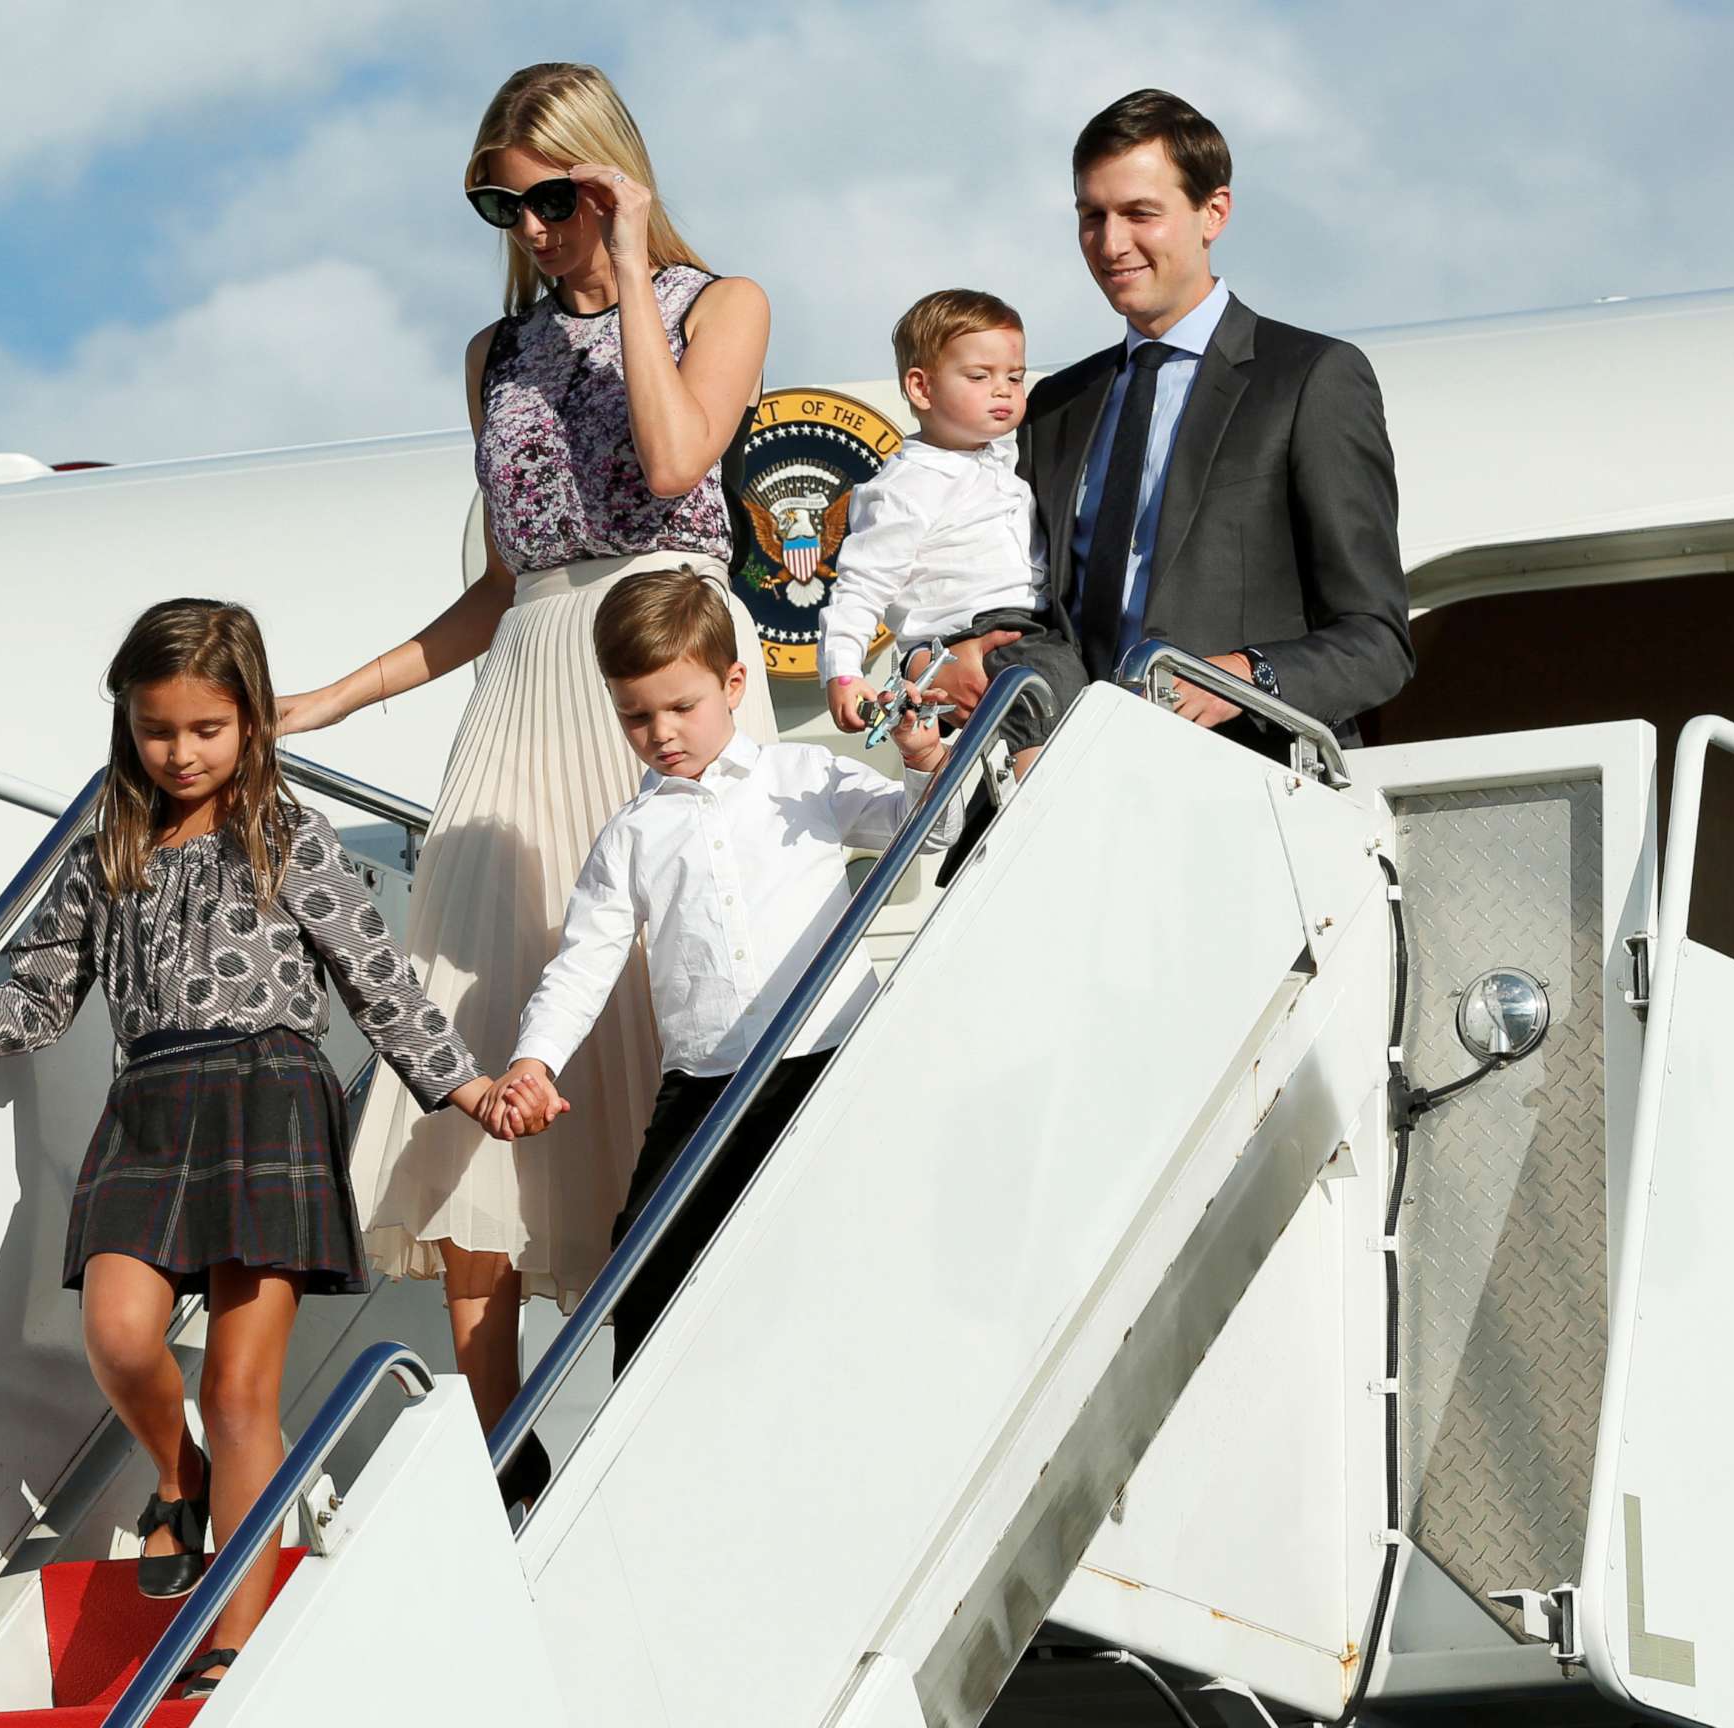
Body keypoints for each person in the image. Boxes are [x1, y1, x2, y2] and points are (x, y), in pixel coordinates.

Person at [278, 62, 776, 1504]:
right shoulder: (492, 357)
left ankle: (691, 1386)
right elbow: (501, 588)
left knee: (676, 1011)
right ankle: (501, 1448)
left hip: (667, 648)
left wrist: (626, 267)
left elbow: (683, 456)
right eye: (504, 202)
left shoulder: (717, 303)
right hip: (531, 679)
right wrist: (333, 694)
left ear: (611, 179)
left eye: (555, 197)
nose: (531, 228)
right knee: (482, 1029)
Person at [0, 599, 494, 1699]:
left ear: (250, 719)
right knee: (116, 1333)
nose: (182, 753)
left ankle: (233, 1640)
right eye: (159, 731)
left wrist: (463, 1080)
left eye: (207, 729)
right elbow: (44, 999)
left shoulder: (291, 836)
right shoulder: (110, 841)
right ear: (127, 727)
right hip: (150, 1102)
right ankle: (176, 1474)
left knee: (247, 1390)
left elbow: (376, 978)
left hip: (269, 1098)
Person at [485, 567, 958, 1372]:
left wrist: (922, 760)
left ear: (734, 684)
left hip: (827, 1057)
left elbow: (925, 831)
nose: (661, 731)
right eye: (635, 716)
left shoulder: (802, 778)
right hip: (706, 1083)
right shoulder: (631, 833)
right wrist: (534, 1060)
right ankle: (644, 1447)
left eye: (680, 707)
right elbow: (582, 966)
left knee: (848, 1238)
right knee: (645, 1263)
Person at [926, 89, 1412, 754]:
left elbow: (1377, 641)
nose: (1110, 242)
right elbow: (1028, 606)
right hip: (1074, 791)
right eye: (1091, 215)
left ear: (1213, 213)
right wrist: (957, 652)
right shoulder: (1055, 406)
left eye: (1139, 213)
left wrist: (1243, 677)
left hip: (1251, 788)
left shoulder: (1310, 378)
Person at [818, 289, 1085, 776]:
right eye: (979, 377)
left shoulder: (1004, 460)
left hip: (1035, 631)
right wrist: (842, 669)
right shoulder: (907, 486)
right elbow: (862, 584)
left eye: (1015, 377)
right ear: (921, 389)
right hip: (989, 636)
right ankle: (1044, 810)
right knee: (1051, 719)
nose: (1003, 390)